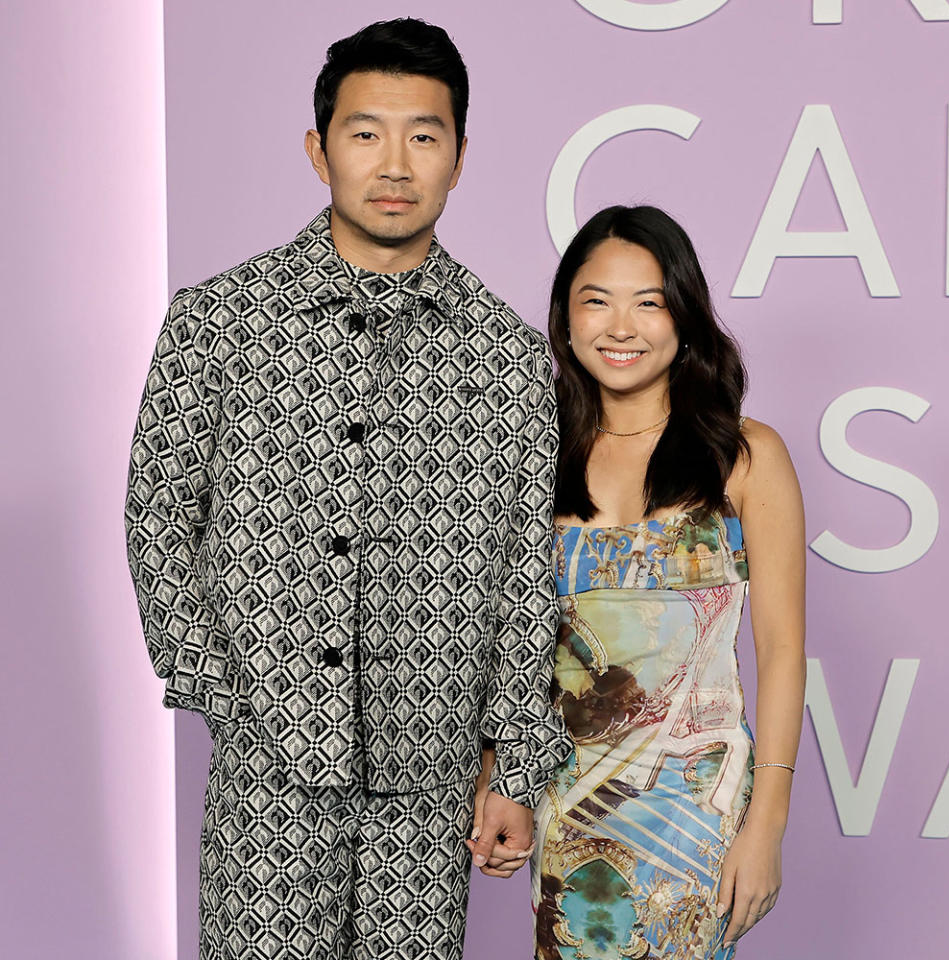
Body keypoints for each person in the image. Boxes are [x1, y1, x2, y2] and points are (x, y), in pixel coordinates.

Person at [124, 18, 571, 960]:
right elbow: (159, 509)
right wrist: (224, 691)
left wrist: (516, 767)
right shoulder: (219, 321)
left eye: (425, 134)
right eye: (366, 133)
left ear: (459, 156)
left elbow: (527, 572)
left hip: (431, 779)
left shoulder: (508, 359)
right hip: (269, 772)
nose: (395, 163)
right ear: (318, 150)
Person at [529, 205, 806, 959]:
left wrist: (768, 823)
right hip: (571, 801)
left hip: (697, 808)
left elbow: (782, 652)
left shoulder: (745, 455)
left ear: (684, 317)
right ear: (564, 318)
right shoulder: (530, 453)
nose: (622, 326)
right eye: (598, 300)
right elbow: (505, 646)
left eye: (648, 301)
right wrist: (499, 781)